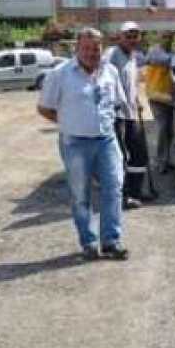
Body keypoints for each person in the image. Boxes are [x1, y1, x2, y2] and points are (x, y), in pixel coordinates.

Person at [37, 28, 129, 260]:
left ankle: (111, 240)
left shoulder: (110, 71)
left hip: (106, 139)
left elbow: (116, 102)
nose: (91, 53)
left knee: (114, 188)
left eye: (96, 48)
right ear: (77, 48)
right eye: (86, 48)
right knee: (80, 194)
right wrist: (68, 122)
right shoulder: (60, 74)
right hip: (75, 143)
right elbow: (44, 107)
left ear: (101, 49)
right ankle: (89, 242)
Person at [105, 21, 148, 210]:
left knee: (139, 153)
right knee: (119, 156)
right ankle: (123, 194)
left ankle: (135, 192)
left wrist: (137, 100)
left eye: (135, 36)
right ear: (120, 37)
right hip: (115, 115)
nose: (132, 40)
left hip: (130, 112)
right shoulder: (111, 55)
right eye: (128, 36)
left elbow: (131, 82)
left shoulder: (133, 56)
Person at [144, 31, 175, 174]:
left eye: (170, 38)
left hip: (168, 97)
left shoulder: (171, 52)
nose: (167, 40)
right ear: (160, 39)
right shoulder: (154, 51)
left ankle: (166, 160)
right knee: (162, 129)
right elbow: (165, 60)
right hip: (156, 96)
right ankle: (159, 162)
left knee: (169, 131)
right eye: (165, 37)